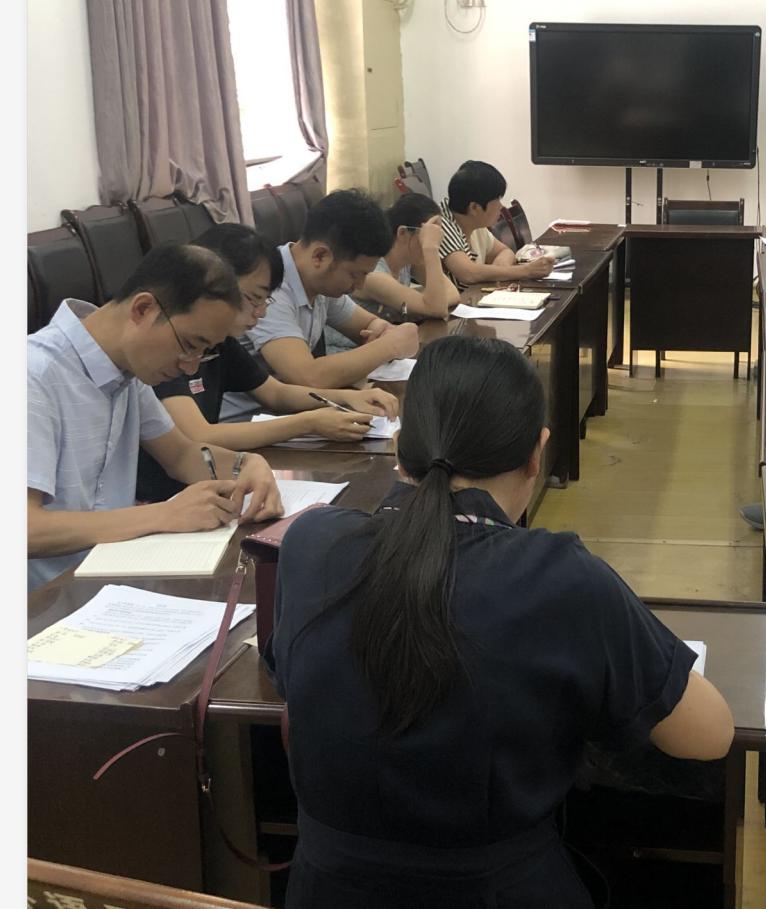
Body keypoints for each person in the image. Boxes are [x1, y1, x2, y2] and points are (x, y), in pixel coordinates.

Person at [266, 335, 734, 906]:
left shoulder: (311, 543)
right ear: (538, 453)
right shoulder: (560, 578)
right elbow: (709, 735)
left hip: (323, 889)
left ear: (400, 451)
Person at [28, 244, 284, 591]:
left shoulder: (126, 370)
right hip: (44, 603)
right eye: (190, 344)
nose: (190, 367)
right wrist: (164, 514)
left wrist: (246, 464)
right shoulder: (33, 374)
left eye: (203, 352)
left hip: (114, 577)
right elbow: (26, 528)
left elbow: (180, 456)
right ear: (143, 309)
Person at [135, 225, 399, 502]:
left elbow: (274, 393)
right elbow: (198, 435)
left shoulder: (220, 343)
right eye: (254, 299)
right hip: (164, 497)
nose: (260, 313)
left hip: (200, 485)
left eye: (265, 301)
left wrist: (347, 398)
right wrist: (308, 423)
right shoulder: (169, 346)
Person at [231, 189, 420, 416]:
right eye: (355, 274)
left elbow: (369, 325)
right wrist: (390, 345)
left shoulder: (319, 284)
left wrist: (381, 330)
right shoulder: (270, 287)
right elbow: (308, 377)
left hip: (293, 414)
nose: (360, 285)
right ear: (320, 256)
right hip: (249, 422)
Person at [437, 160, 555, 290]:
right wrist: (527, 271)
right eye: (497, 200)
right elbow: (469, 274)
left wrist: (499, 269)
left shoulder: (471, 221)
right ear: (475, 207)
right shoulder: (441, 225)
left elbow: (505, 251)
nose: (501, 206)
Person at [354, 192, 460, 320]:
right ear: (402, 233)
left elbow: (453, 293)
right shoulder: (373, 273)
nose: (434, 241)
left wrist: (428, 301)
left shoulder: (410, 261)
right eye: (427, 235)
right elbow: (437, 309)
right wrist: (430, 248)